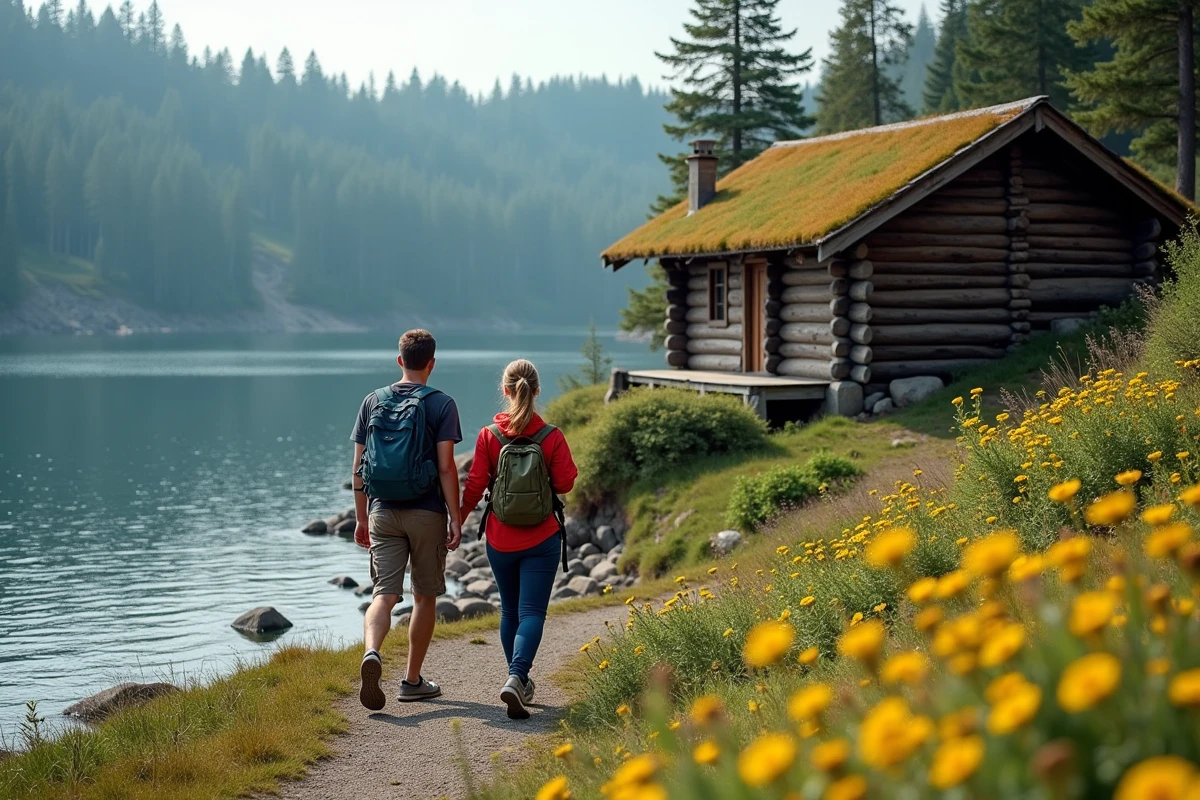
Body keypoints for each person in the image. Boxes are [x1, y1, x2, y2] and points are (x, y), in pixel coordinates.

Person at [350, 329, 463, 710]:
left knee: (384, 594)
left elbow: (358, 470)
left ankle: (372, 652)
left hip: (381, 510)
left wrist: (361, 518)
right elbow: (447, 467)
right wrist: (456, 517)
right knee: (424, 596)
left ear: (400, 360)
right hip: (427, 511)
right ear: (432, 363)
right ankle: (412, 680)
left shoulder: (372, 401)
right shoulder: (442, 404)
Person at [461, 359, 578, 720]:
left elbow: (475, 484)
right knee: (532, 612)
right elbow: (566, 483)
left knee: (510, 610)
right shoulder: (552, 436)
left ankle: (517, 678)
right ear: (537, 390)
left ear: (505, 390)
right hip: (542, 538)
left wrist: (457, 521)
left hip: (500, 539)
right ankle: (517, 677)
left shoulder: (488, 436)